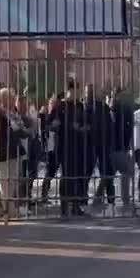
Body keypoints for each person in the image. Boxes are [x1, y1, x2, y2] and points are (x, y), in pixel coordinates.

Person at [50, 80, 89, 217]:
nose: (79, 94)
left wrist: (81, 128)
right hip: (64, 145)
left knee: (76, 175)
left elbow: (86, 124)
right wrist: (55, 124)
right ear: (70, 91)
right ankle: (64, 206)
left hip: (78, 145)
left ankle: (76, 206)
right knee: (66, 176)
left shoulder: (79, 106)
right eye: (77, 91)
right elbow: (50, 123)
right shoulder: (60, 106)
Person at [0, 88, 28, 219]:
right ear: (4, 100)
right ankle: (9, 211)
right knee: (6, 183)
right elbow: (3, 135)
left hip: (12, 152)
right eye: (11, 99)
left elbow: (20, 132)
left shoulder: (11, 114)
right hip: (2, 154)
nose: (14, 102)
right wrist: (15, 130)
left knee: (10, 183)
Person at [95, 90, 135, 209]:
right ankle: (125, 199)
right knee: (126, 171)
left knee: (108, 174)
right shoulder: (122, 109)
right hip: (118, 147)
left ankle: (98, 198)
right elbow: (126, 129)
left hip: (110, 147)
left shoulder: (108, 109)